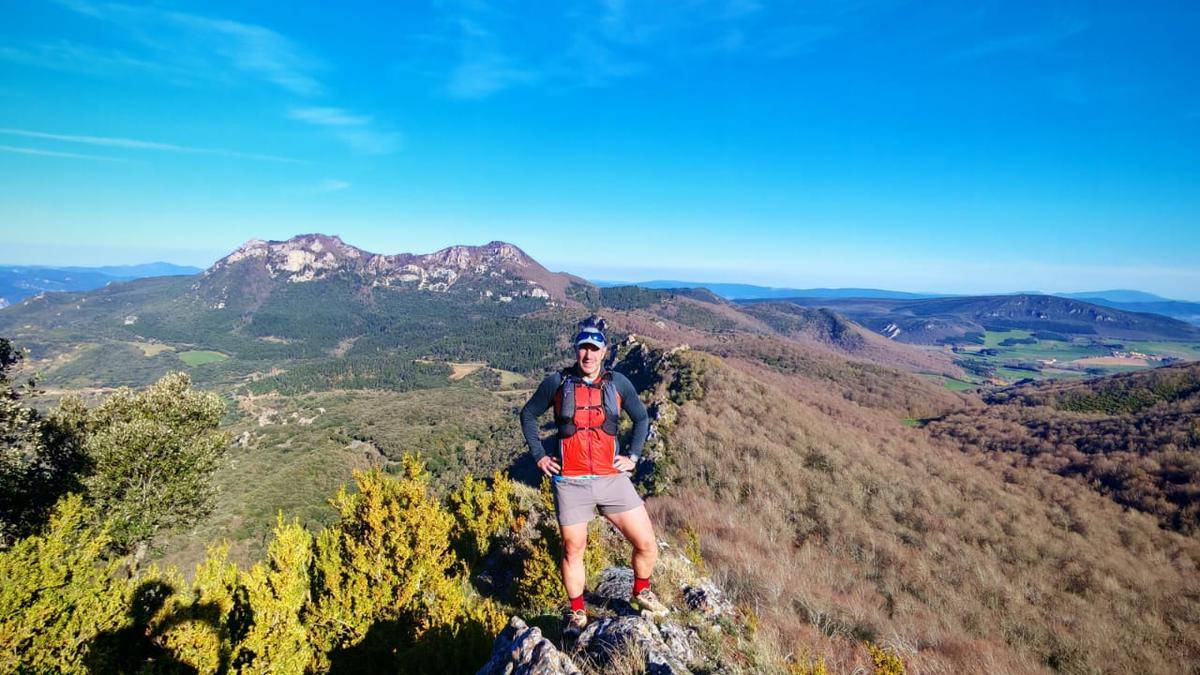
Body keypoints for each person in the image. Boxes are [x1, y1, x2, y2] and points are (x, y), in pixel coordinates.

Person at [519, 316, 668, 638]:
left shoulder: (618, 383)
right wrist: (540, 457)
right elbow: (528, 414)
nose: (588, 355)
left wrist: (634, 457)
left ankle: (641, 591)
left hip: (612, 478)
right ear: (576, 350)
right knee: (573, 549)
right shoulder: (557, 383)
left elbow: (641, 418)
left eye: (594, 349)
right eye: (583, 349)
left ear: (604, 352)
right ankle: (577, 611)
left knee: (646, 543)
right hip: (570, 481)